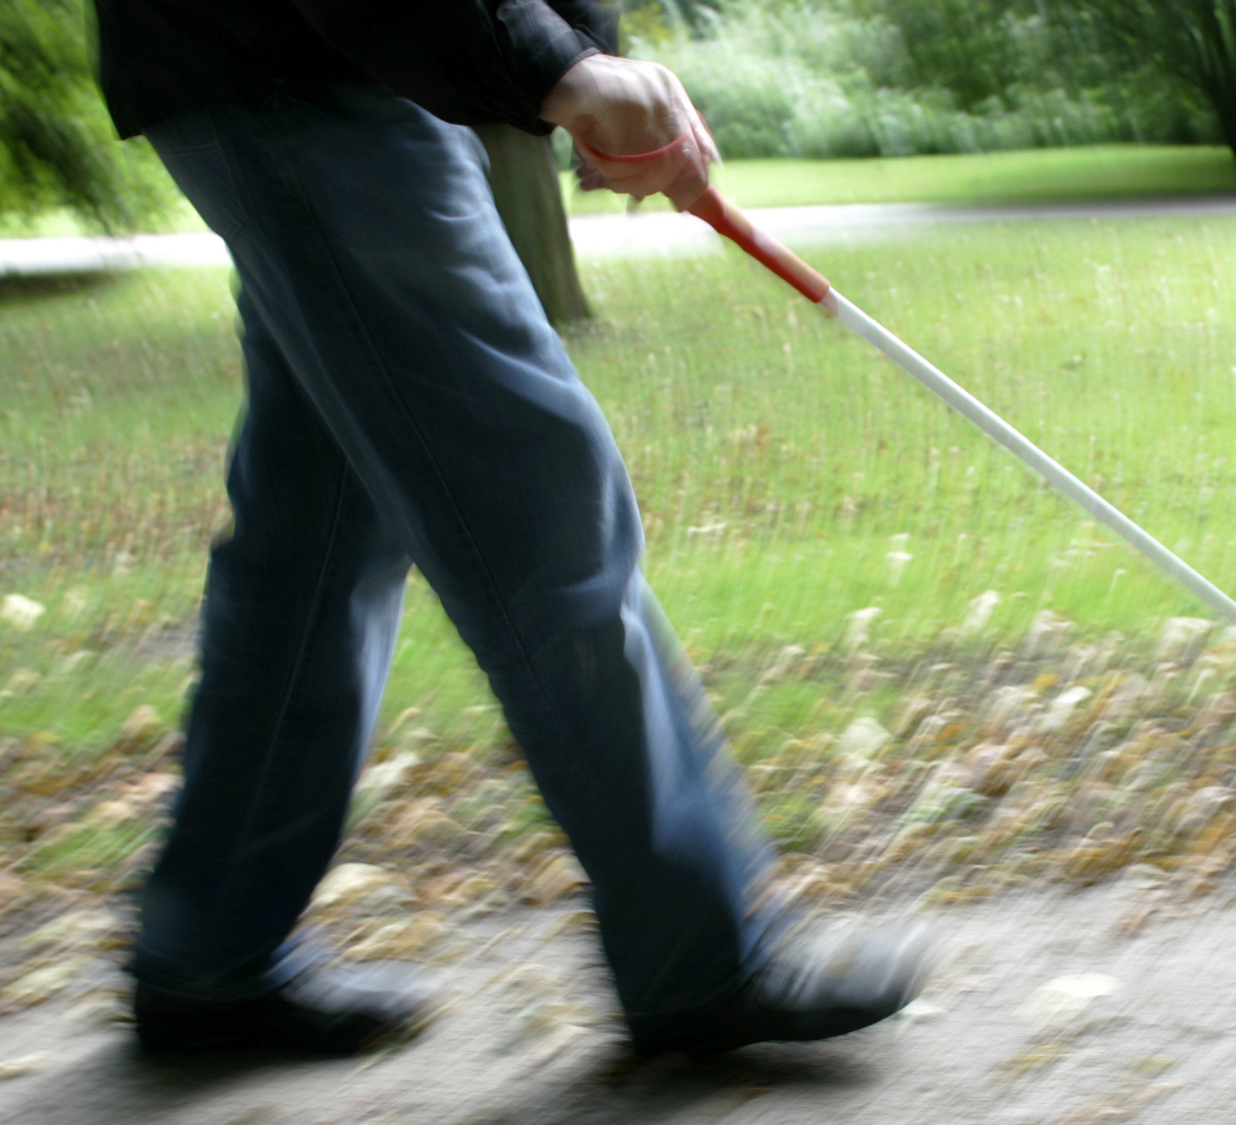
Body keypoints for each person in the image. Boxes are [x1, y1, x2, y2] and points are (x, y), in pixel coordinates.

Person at [90, 0, 931, 1057]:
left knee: (317, 535)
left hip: (306, 64)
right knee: (534, 505)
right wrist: (552, 65)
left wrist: (571, 54)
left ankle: (205, 950)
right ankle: (698, 955)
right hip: (300, 71)